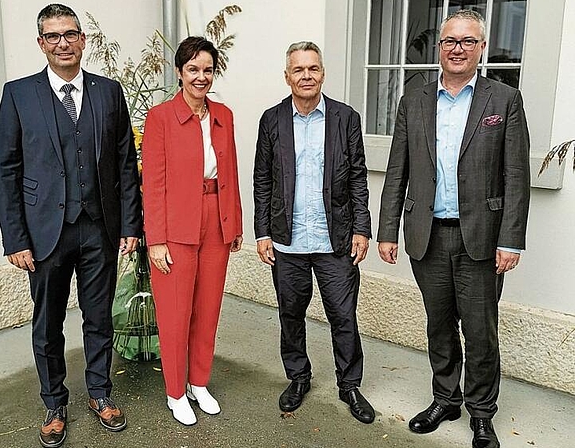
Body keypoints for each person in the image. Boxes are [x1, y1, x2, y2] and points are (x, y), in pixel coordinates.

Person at [377, 10, 530, 448]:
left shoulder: (503, 100)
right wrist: (389, 230)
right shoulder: (415, 100)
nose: (457, 49)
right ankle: (446, 398)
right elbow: (397, 170)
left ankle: (482, 413)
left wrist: (510, 238)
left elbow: (516, 175)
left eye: (467, 41)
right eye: (449, 41)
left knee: (480, 331)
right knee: (439, 325)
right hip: (428, 234)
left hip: (481, 237)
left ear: (481, 48)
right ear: (439, 48)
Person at [0, 4, 142, 447]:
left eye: (70, 34)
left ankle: (99, 392)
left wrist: (129, 225)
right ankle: (55, 401)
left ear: (83, 40)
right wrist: (15, 238)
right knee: (48, 322)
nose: (63, 43)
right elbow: (7, 170)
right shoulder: (19, 94)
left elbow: (124, 165)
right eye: (53, 36)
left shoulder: (108, 92)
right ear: (41, 43)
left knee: (99, 318)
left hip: (99, 228)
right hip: (44, 234)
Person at [253, 41, 375, 424]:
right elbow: (262, 179)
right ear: (287, 76)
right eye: (299, 70)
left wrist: (361, 228)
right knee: (291, 313)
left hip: (334, 239)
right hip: (286, 239)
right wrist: (262, 232)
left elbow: (357, 175)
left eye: (313, 69)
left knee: (343, 315)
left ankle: (349, 385)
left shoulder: (345, 118)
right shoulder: (271, 120)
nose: (307, 76)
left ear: (323, 73)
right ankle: (298, 377)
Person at [142, 36, 243, 426]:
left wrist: (233, 221)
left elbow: (230, 171)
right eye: (193, 70)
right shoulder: (160, 118)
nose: (201, 77)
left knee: (208, 308)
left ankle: (199, 382)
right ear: (179, 72)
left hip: (216, 219)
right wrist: (156, 239)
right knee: (176, 311)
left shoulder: (224, 114)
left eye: (207, 70)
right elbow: (153, 182)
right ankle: (176, 391)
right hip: (176, 224)